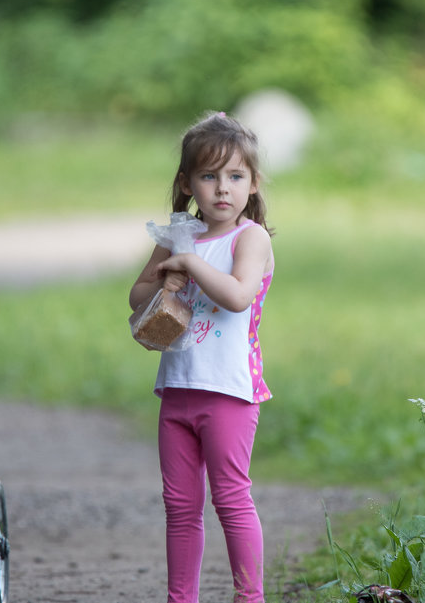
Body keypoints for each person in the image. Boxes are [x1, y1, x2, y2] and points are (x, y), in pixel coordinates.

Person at [129, 111, 276, 603]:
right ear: (187, 183)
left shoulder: (248, 238)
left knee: (231, 499)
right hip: (177, 389)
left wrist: (190, 263)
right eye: (208, 176)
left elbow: (237, 296)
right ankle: (181, 598)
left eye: (235, 176)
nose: (222, 189)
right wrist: (167, 267)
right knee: (180, 505)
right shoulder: (178, 235)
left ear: (253, 184)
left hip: (229, 392)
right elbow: (136, 297)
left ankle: (249, 596)